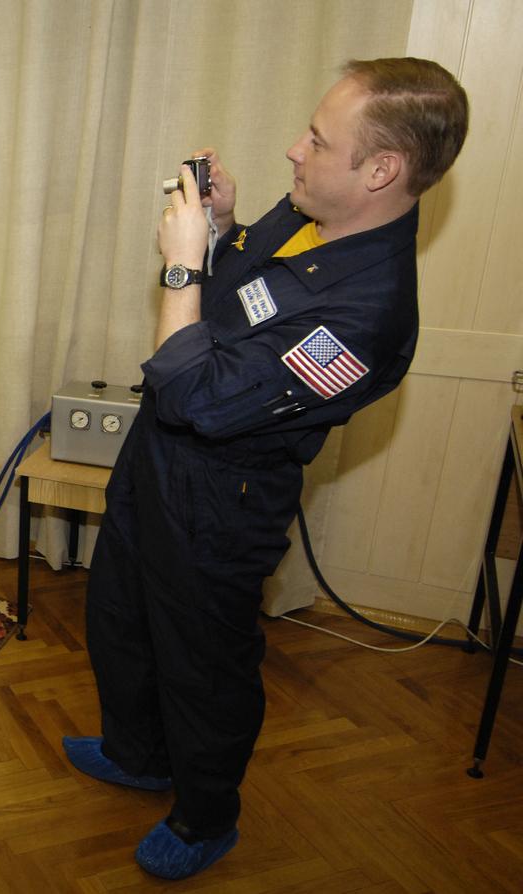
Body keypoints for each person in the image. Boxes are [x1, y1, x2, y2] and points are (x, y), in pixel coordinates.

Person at [63, 58, 468, 880]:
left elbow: (199, 396)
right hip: (158, 461)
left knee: (202, 662)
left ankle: (207, 816)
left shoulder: (368, 315)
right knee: (121, 613)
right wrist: (222, 224)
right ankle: (139, 753)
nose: (295, 149)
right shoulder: (315, 215)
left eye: (319, 141)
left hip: (221, 495)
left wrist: (179, 264)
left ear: (382, 170)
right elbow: (244, 284)